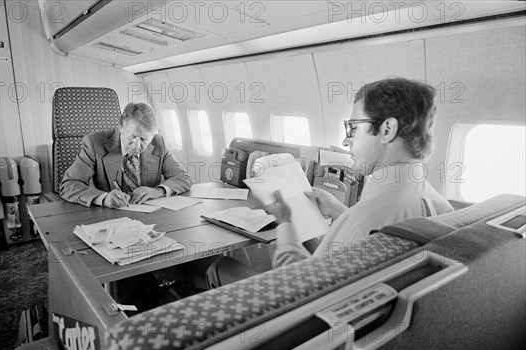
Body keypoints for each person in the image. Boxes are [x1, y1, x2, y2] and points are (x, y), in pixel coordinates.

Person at [206, 78, 454, 287]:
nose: (346, 141)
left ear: (387, 129)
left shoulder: (361, 221)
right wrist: (337, 210)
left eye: (353, 127)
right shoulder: (442, 208)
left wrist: (285, 223)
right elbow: (377, 228)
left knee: (217, 268)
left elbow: (301, 283)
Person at [60, 102, 192, 206]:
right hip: (110, 216)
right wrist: (104, 198)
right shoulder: (94, 143)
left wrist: (157, 191)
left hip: (148, 216)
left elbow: (183, 178)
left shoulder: (159, 144)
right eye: (133, 136)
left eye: (144, 139)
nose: (137, 144)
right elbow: (69, 185)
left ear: (152, 137)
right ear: (121, 127)